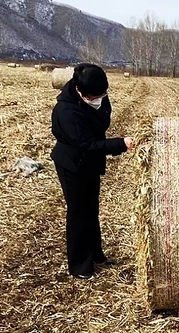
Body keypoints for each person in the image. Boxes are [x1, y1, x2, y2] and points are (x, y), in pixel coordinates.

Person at [51, 63, 134, 280]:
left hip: (89, 162)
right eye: (95, 96)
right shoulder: (66, 111)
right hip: (72, 163)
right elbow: (87, 144)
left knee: (91, 210)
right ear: (81, 92)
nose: (101, 98)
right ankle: (79, 266)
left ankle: (96, 255)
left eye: (103, 94)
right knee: (78, 213)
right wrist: (121, 144)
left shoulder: (97, 93)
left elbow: (102, 118)